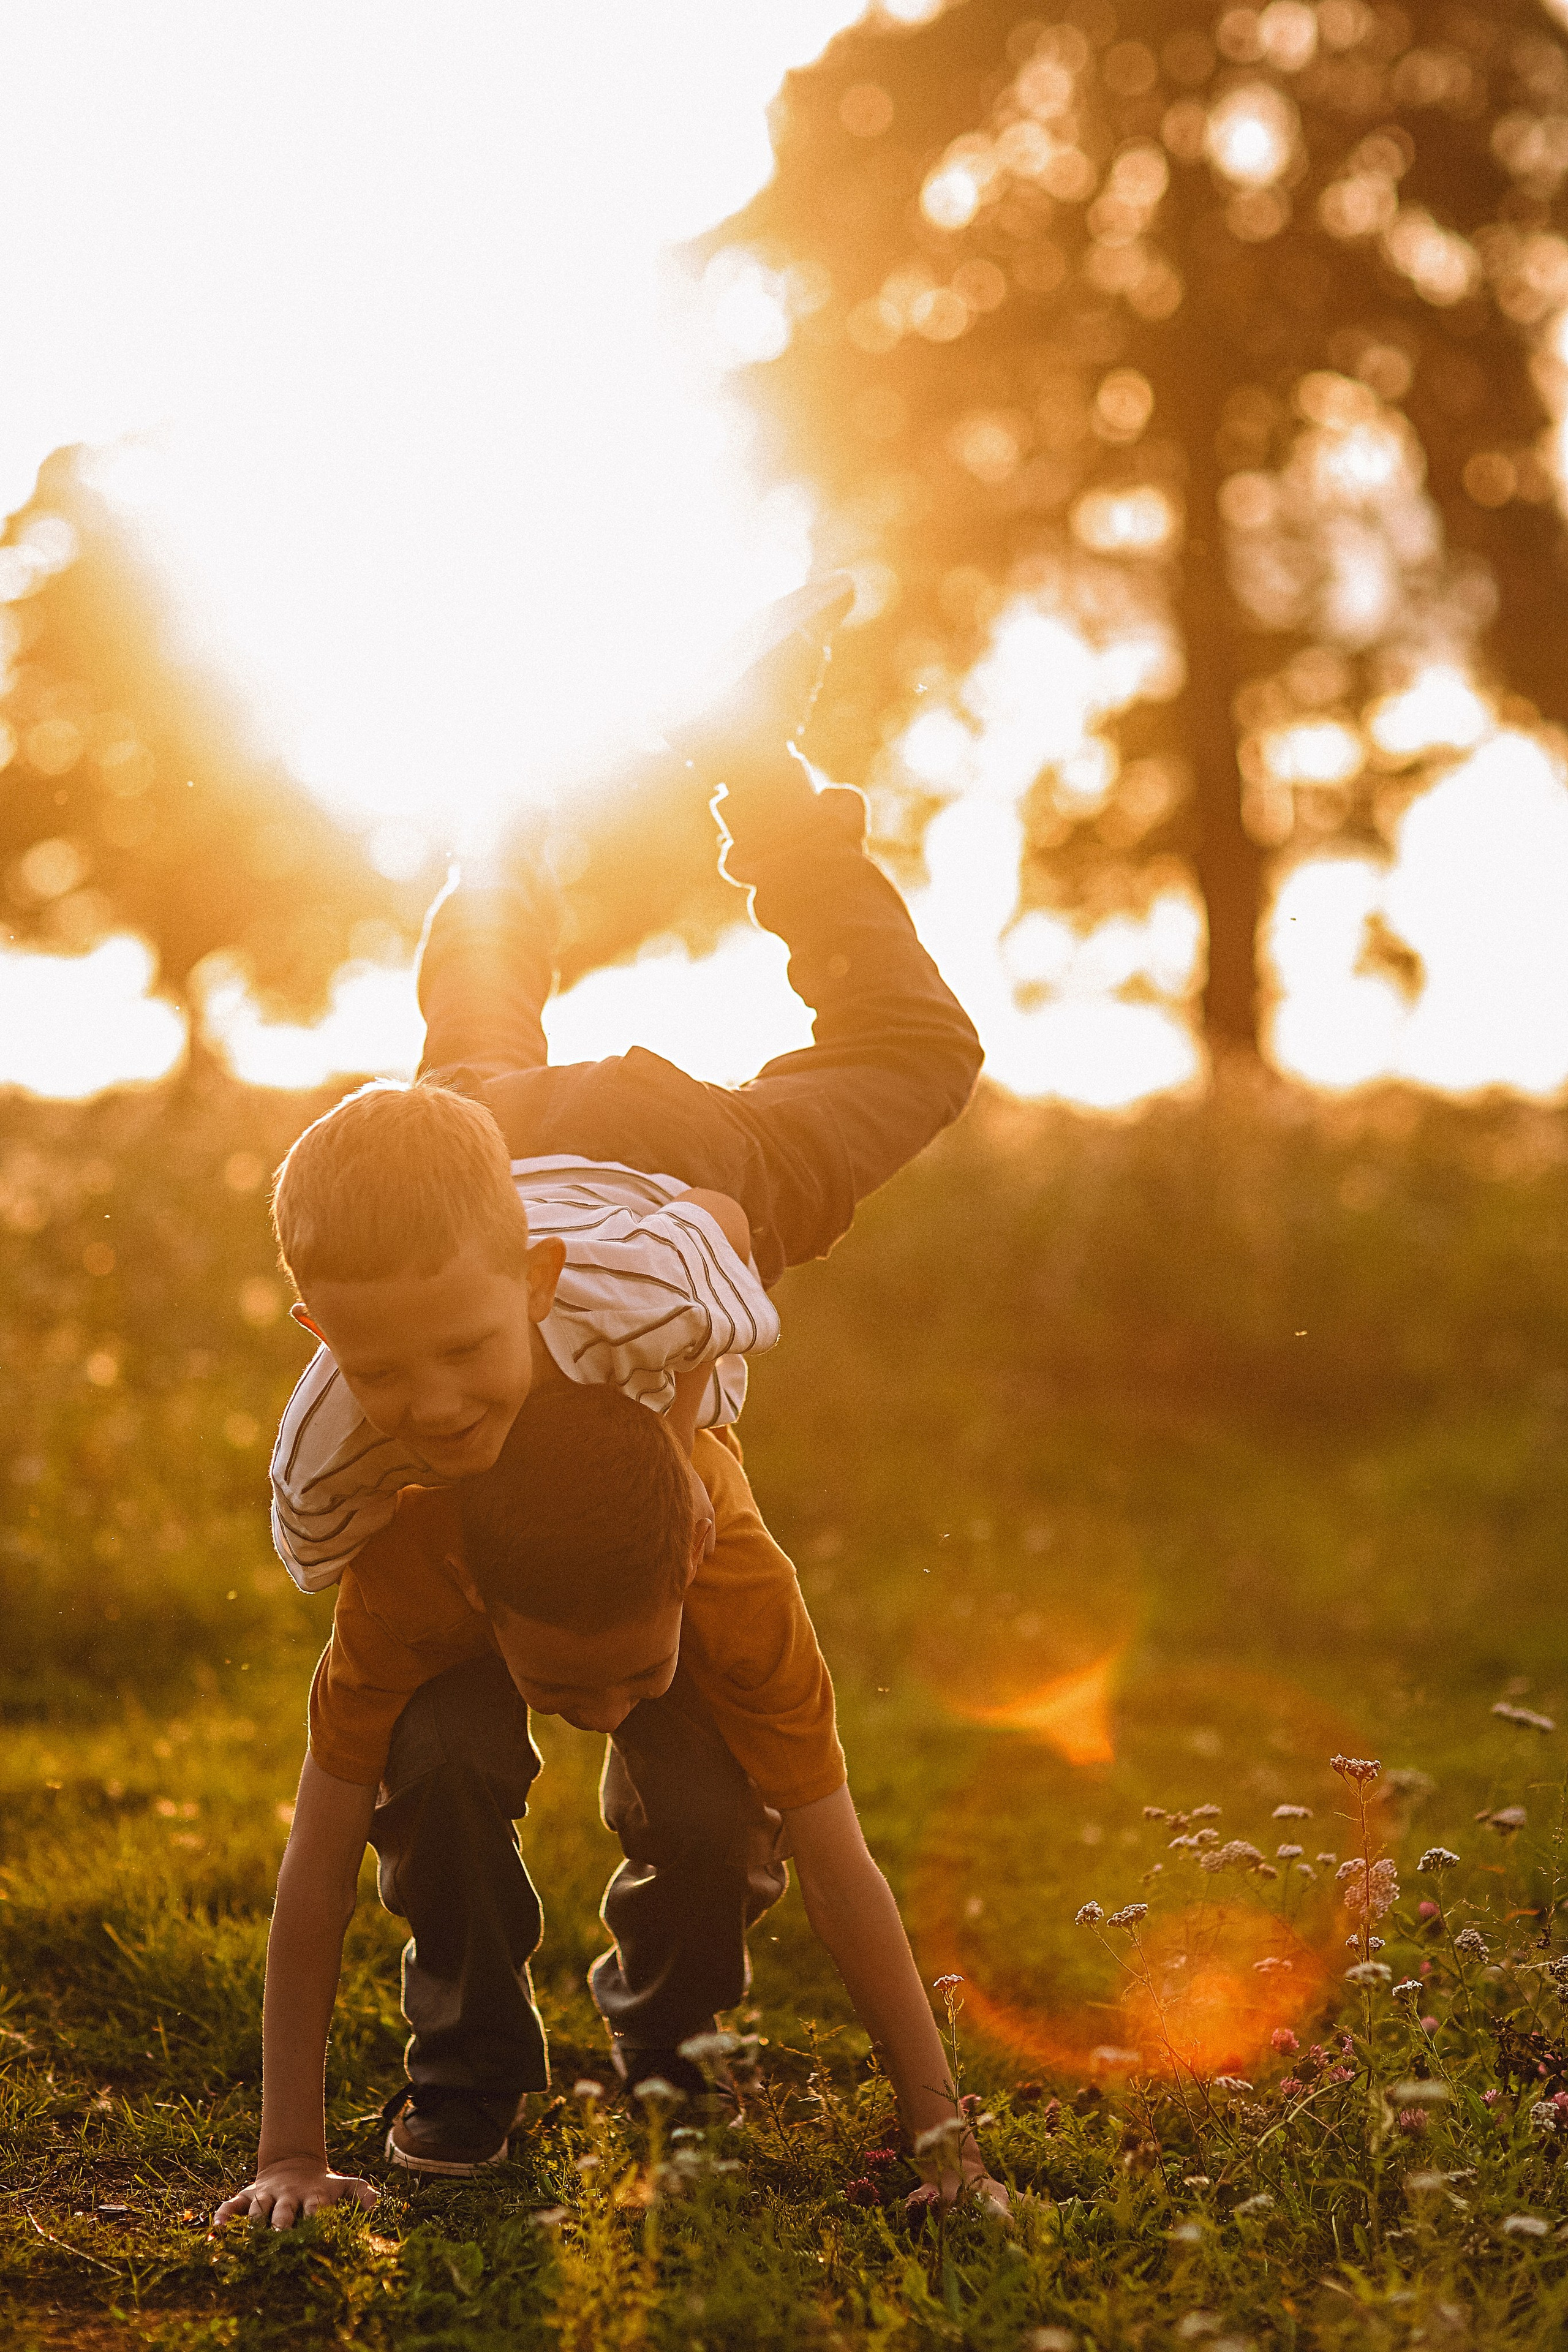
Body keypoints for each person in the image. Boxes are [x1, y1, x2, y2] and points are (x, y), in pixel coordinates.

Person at [267, 575, 983, 1593]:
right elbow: (331, 1558)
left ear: (538, 1280)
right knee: (477, 1002)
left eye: (465, 1349)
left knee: (915, 1048)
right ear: (323, 1339)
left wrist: (679, 1455)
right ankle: (501, 805)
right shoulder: (331, 1428)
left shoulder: (629, 1295)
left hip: (667, 1158)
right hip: (483, 1133)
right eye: (382, 1372)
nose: (429, 1406)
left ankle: (740, 773)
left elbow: (720, 1226)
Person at [214, 1380, 1009, 2223]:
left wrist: (949, 2149)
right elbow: (318, 1871)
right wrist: (291, 2156)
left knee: (712, 1810)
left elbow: (842, 1872)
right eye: (561, 1685)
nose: (601, 1715)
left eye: (638, 1677)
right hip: (464, 1624)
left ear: (697, 1550)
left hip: (672, 1596)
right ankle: (471, 2065)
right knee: (443, 1763)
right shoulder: (406, 1573)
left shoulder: (738, 1583)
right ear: (471, 1587)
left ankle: (674, 2044)